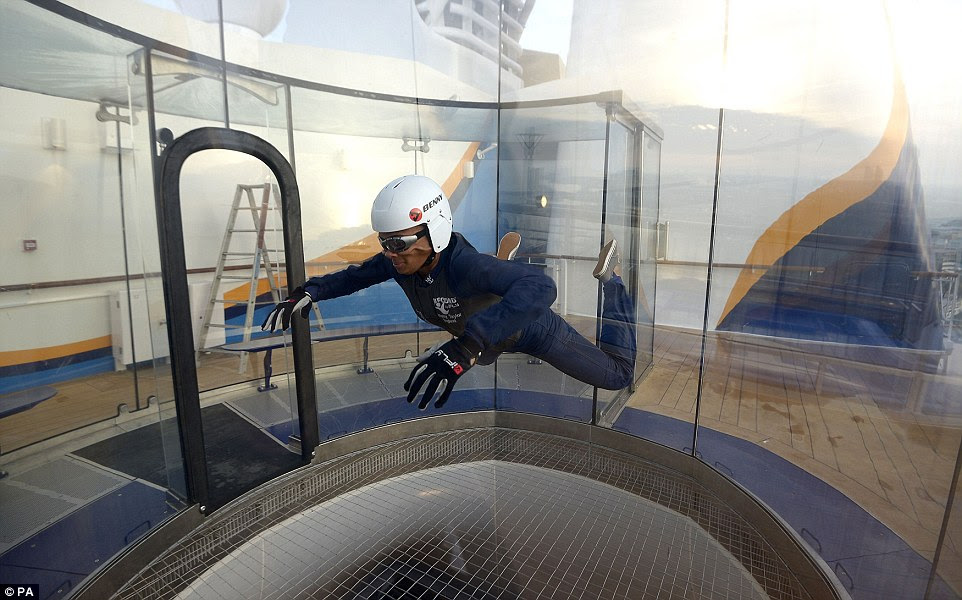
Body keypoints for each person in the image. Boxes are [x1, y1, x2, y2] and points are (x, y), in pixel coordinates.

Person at [262, 174, 636, 409]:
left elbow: (542, 286)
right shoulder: (401, 263)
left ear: (434, 231)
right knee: (483, 350)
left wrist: (468, 345)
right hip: (481, 333)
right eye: (385, 242)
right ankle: (499, 279)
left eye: (400, 243)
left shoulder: (461, 265)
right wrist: (308, 292)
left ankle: (612, 282)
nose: (390, 254)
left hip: (533, 332)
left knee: (616, 376)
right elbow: (353, 276)